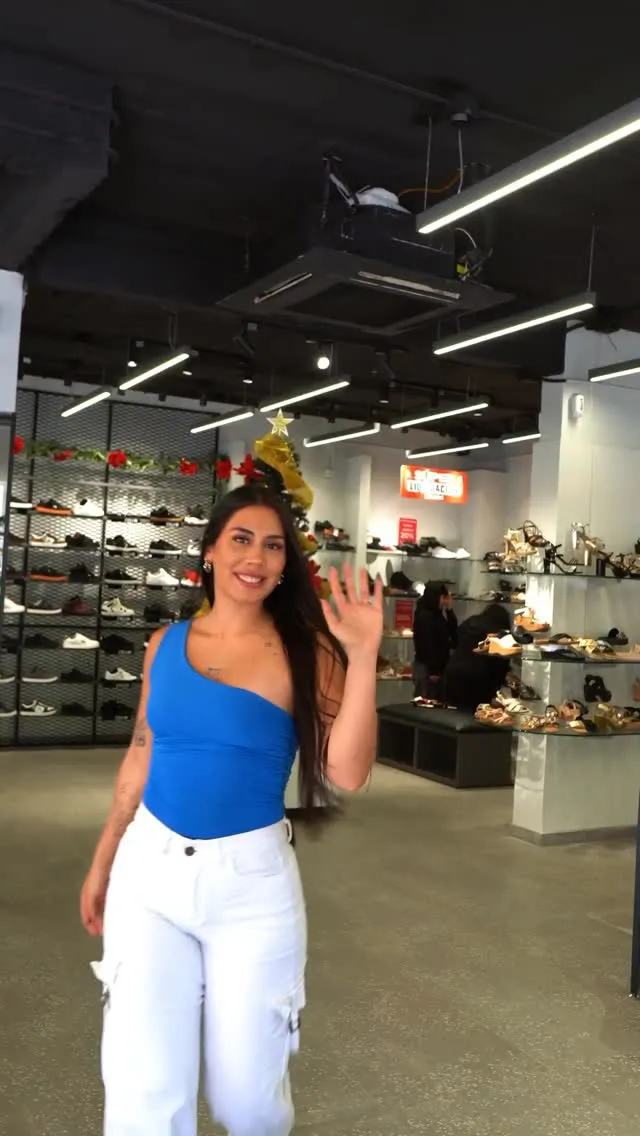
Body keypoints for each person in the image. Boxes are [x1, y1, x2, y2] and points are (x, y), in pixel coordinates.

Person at [80, 483, 383, 1136]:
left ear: (285, 565)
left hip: (252, 886)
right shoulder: (164, 643)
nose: (257, 558)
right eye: (241, 539)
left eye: (273, 546)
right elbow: (140, 756)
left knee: (250, 1101)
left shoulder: (307, 651)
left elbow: (347, 773)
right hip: (148, 872)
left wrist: (361, 659)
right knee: (142, 1087)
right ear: (211, 550)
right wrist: (104, 859)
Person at [443, 602, 512, 711]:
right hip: (479, 677)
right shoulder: (498, 631)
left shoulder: (469, 622)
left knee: (454, 710)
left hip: (454, 671)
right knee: (477, 712)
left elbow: (456, 641)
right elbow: (500, 661)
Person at [412, 581, 458, 700]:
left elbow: (453, 635)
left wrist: (449, 610)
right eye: (443, 597)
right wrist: (434, 671)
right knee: (425, 702)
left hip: (436, 668)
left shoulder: (437, 615)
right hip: (428, 670)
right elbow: (426, 646)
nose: (444, 601)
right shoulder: (425, 616)